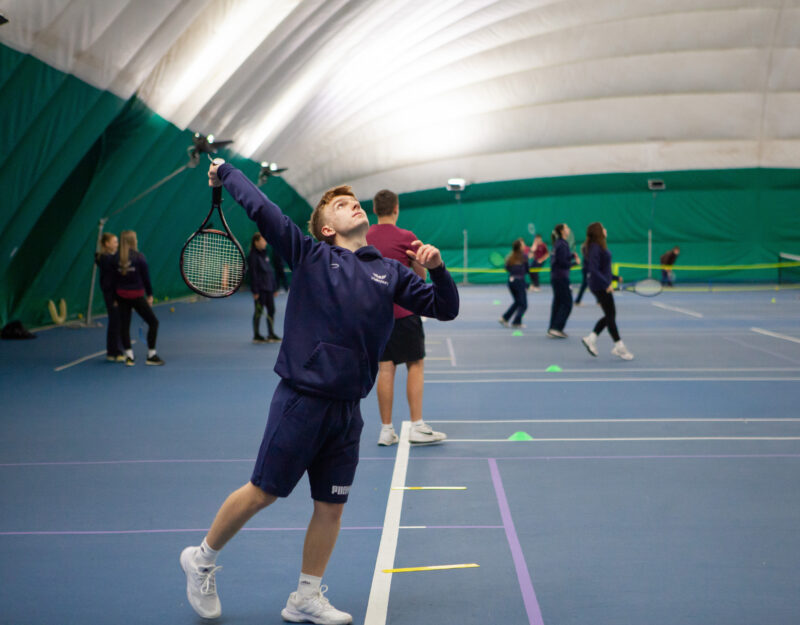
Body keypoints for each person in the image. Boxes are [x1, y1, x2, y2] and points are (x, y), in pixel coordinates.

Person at [179, 160, 459, 624]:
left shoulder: (390, 273)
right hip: (302, 399)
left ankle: (305, 596)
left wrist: (439, 269)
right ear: (327, 227)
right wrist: (225, 171)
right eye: (340, 204)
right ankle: (202, 558)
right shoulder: (310, 254)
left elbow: (444, 308)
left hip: (349, 409)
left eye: (354, 200)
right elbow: (262, 208)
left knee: (331, 505)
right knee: (262, 492)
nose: (352, 205)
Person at [366, 189, 447, 446]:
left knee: (385, 368)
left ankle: (386, 430)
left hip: (376, 317)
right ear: (396, 208)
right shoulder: (407, 237)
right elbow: (421, 276)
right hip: (404, 314)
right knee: (415, 364)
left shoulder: (364, 237)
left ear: (375, 210)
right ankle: (417, 426)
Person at [581, 222, 634, 360]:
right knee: (610, 316)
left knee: (610, 315)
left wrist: (615, 278)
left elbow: (603, 268)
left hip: (601, 284)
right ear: (599, 231)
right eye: (603, 227)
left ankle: (591, 339)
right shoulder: (594, 247)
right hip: (599, 286)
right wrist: (606, 284)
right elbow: (593, 269)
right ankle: (619, 347)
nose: (605, 229)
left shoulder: (598, 246)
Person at [113, 230, 163, 366]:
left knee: (125, 326)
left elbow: (113, 280)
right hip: (137, 296)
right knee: (153, 322)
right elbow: (146, 279)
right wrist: (150, 295)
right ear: (132, 241)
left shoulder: (115, 258)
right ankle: (151, 355)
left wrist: (115, 298)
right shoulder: (139, 257)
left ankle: (129, 356)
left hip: (121, 296)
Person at [95, 232, 123, 362]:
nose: (117, 244)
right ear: (107, 244)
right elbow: (112, 278)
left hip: (115, 293)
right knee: (115, 321)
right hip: (112, 294)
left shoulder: (111, 258)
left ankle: (114, 351)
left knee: (117, 321)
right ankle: (115, 351)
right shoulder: (106, 259)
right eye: (115, 242)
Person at [248, 232, 281, 343]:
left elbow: (270, 272)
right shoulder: (252, 257)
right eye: (262, 240)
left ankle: (271, 334)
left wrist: (274, 288)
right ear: (256, 242)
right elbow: (253, 274)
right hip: (260, 290)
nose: (265, 243)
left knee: (271, 310)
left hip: (269, 289)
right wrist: (255, 290)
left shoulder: (265, 255)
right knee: (258, 312)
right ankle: (256, 335)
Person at [547, 223, 577, 338]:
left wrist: (572, 257)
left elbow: (561, 259)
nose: (568, 229)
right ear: (562, 231)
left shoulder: (557, 244)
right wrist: (574, 263)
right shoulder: (563, 245)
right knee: (567, 303)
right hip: (561, 278)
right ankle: (557, 328)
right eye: (566, 227)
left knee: (558, 303)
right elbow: (563, 263)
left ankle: (552, 328)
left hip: (555, 277)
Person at [499, 238, 528, 328]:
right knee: (523, 304)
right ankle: (516, 322)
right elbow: (527, 270)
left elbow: (506, 268)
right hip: (519, 282)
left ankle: (505, 318)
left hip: (511, 282)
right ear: (519, 247)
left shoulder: (510, 256)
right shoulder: (524, 256)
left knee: (517, 302)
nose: (524, 245)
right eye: (523, 244)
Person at [574, 240, 589, 306]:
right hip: (587, 269)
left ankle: (599, 301)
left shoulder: (586, 248)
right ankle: (577, 301)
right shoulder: (587, 249)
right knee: (585, 285)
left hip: (587, 269)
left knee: (588, 285)